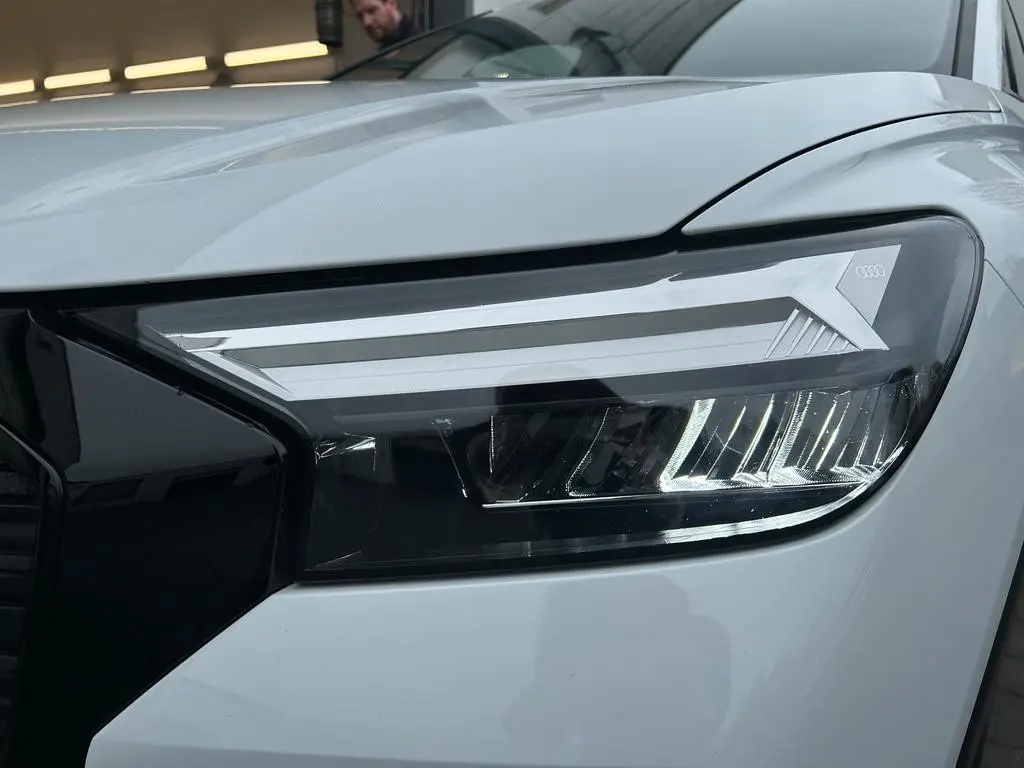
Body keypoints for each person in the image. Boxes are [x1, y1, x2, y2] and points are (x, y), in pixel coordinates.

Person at [349, 0, 421, 50]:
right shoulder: (385, 50)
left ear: (392, 4)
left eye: (371, 10)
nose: (366, 22)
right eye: (360, 16)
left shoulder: (417, 47)